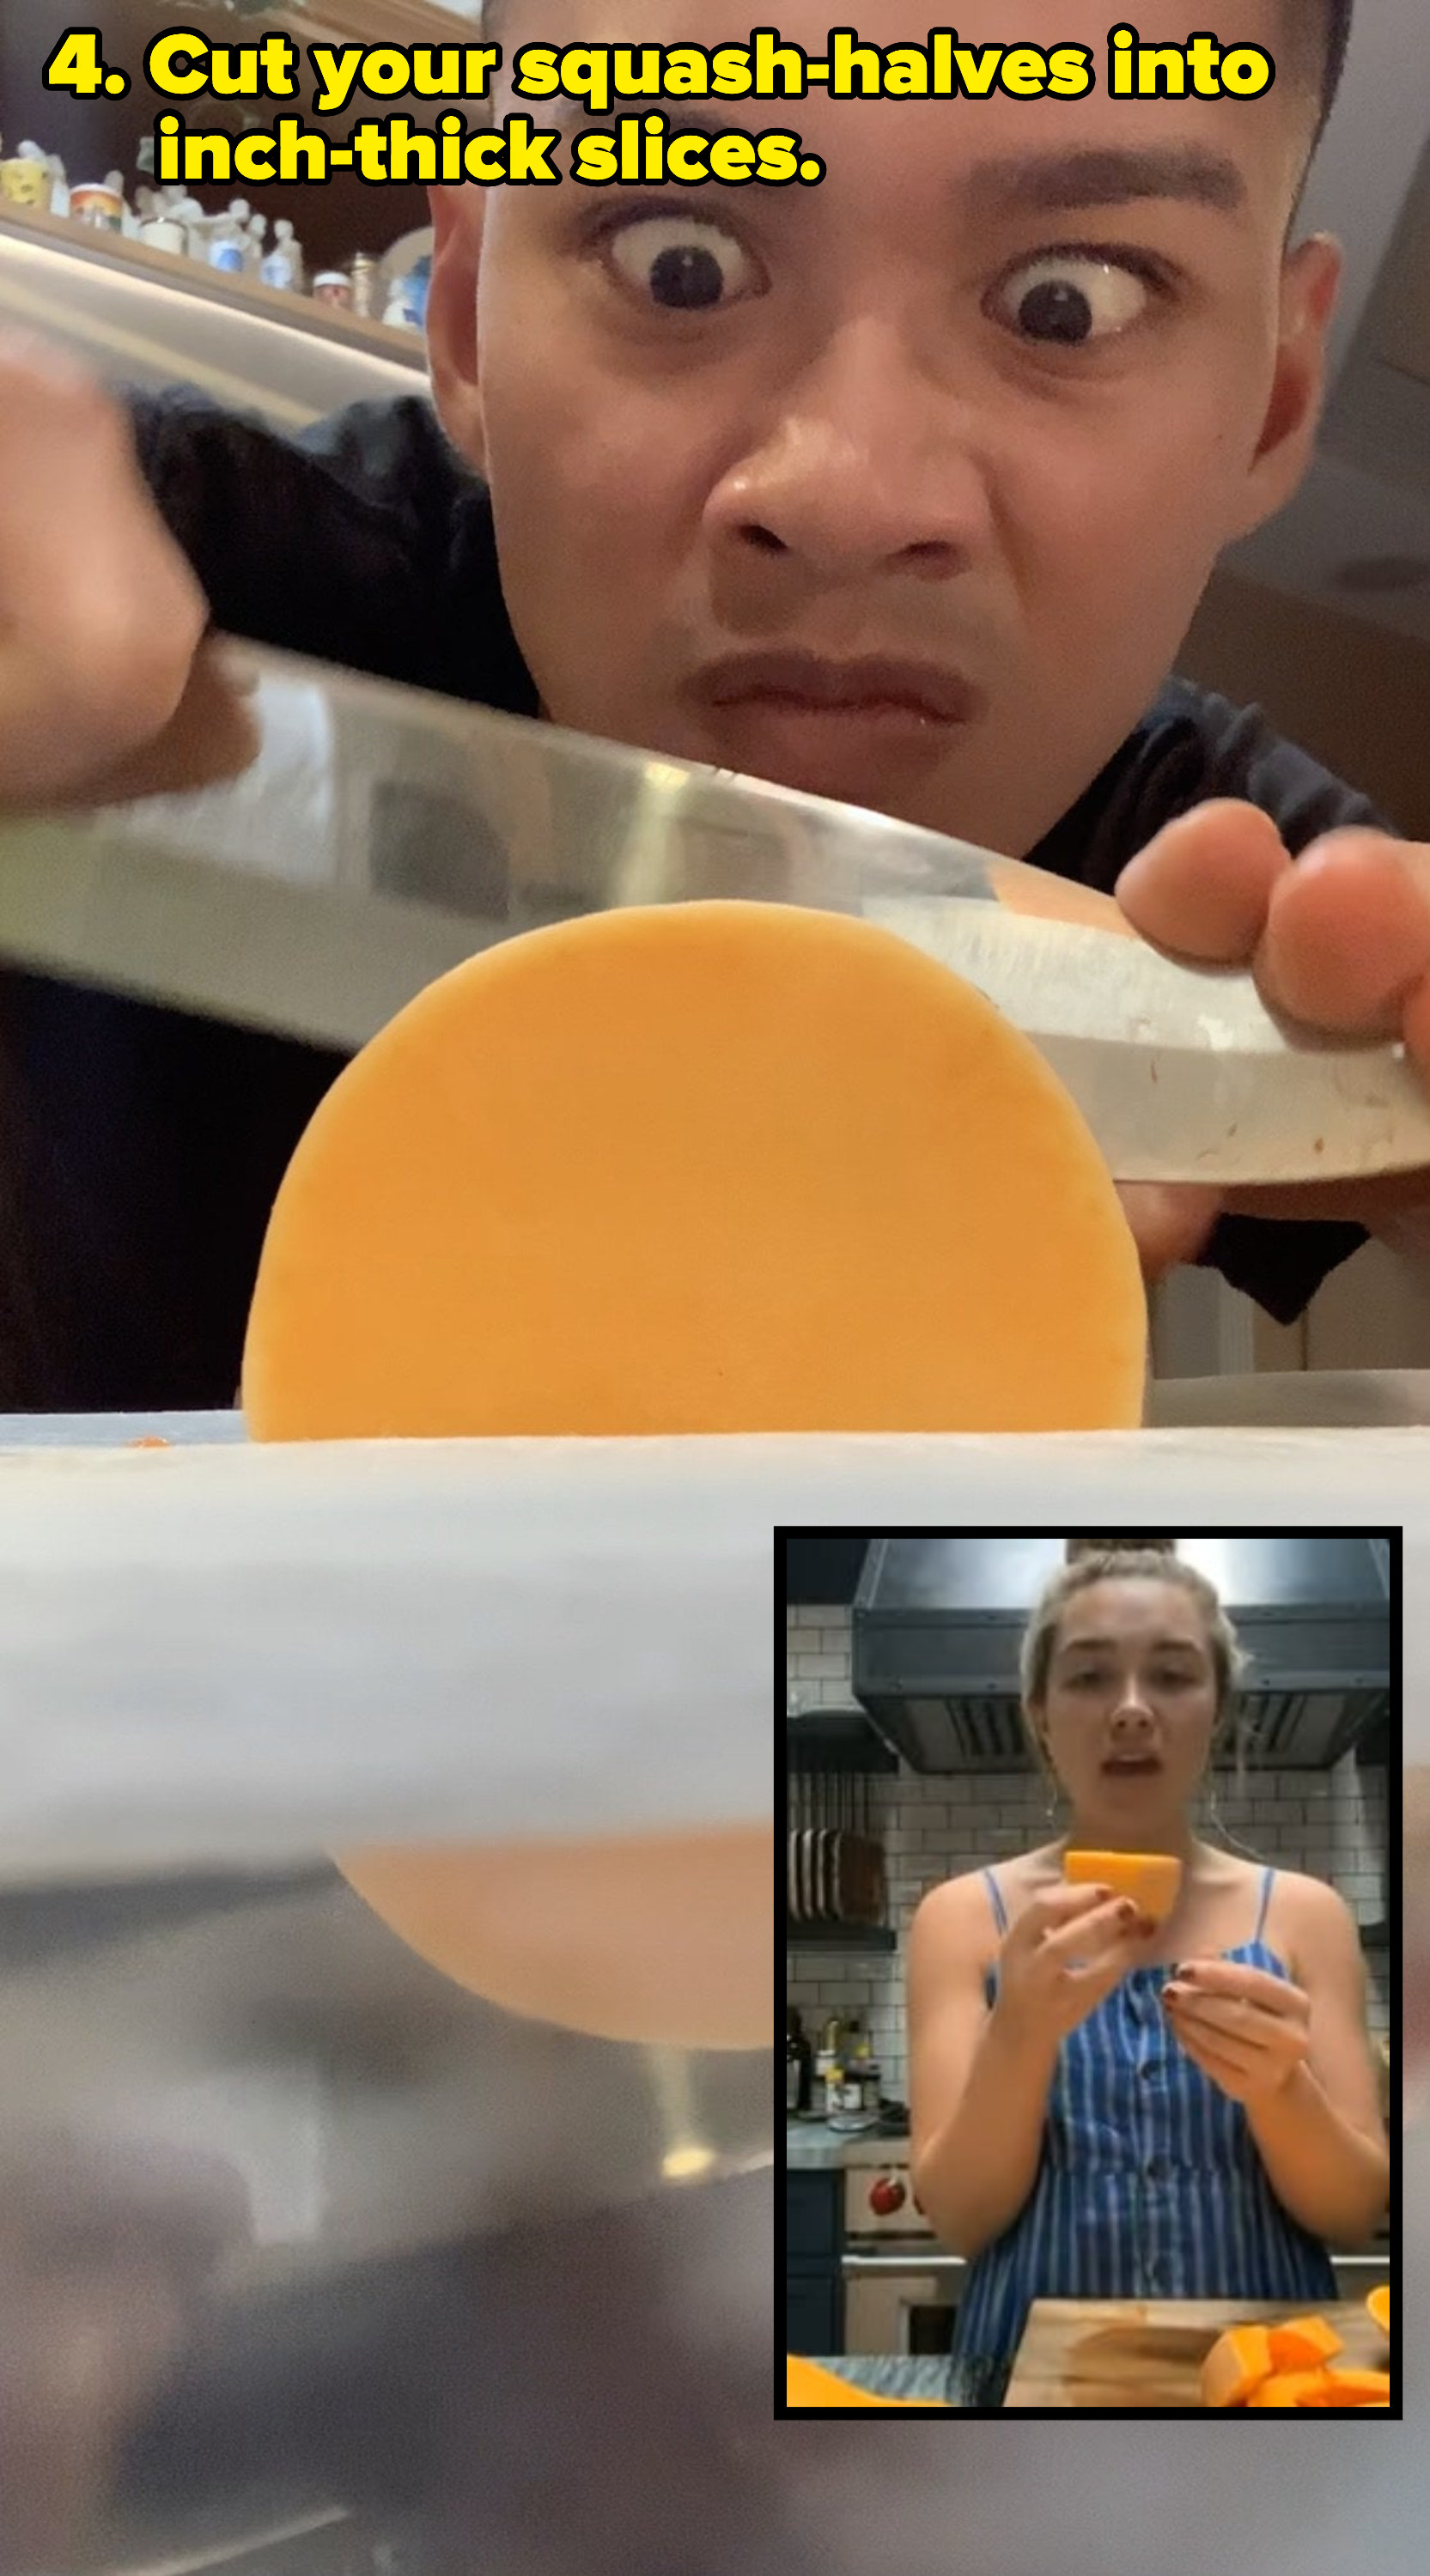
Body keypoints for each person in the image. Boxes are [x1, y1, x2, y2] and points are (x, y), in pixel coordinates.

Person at [2, 0, 1427, 1413]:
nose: (847, 495)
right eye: (679, 265)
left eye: (1071, 300)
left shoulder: (1237, 909)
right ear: (469, 318)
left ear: (1276, 396)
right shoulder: (154, 605)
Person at [906, 1546, 1390, 2408]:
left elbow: (1352, 2213)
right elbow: (961, 2218)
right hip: (1030, 2380)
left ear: (1219, 1712)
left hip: (1269, 2387)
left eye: (1172, 1676)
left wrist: (1282, 2090)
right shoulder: (962, 1919)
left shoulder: (1305, 1915)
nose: (1131, 1711)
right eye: (1089, 1678)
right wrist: (1018, 2033)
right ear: (1040, 1716)